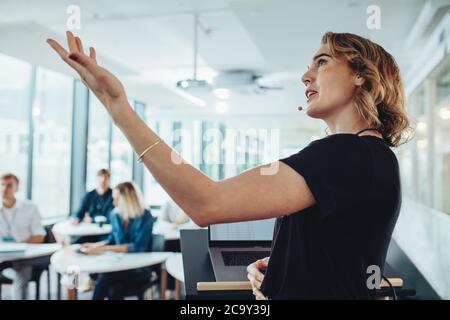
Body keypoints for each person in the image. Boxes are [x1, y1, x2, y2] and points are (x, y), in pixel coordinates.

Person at [48, 31, 411, 299]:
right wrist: (283, 263)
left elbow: (206, 204)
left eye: (322, 62)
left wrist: (119, 108)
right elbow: (342, 248)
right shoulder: (370, 155)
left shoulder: (345, 154)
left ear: (362, 75)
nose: (305, 76)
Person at [80, 182, 154, 300]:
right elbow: (112, 239)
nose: (113, 202)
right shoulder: (115, 215)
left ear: (128, 199)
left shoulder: (145, 216)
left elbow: (138, 247)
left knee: (104, 276)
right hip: (120, 264)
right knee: (114, 289)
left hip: (140, 267)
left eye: (117, 199)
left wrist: (101, 249)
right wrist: (94, 245)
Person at [0, 173, 45, 300]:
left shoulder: (30, 208)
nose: (4, 189)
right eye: (2, 185)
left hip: (24, 256)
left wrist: (18, 246)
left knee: (21, 272)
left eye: (9, 185)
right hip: (3, 256)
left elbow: (39, 236)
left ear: (17, 188)